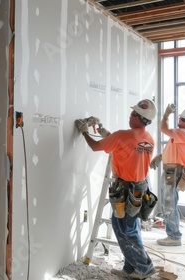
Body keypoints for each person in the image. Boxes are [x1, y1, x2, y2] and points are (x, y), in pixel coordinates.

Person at [75, 99, 157, 279]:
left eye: (133, 113)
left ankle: (145, 267)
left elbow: (96, 146)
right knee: (127, 227)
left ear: (139, 118)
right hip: (140, 188)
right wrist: (104, 131)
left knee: (126, 230)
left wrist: (84, 132)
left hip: (126, 190)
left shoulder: (122, 136)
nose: (130, 115)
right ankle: (130, 268)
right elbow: (124, 145)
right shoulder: (148, 139)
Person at [150, 105, 185, 246]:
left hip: (173, 172)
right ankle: (173, 234)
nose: (181, 121)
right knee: (169, 203)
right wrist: (161, 156)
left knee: (169, 204)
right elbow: (175, 149)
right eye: (180, 118)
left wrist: (165, 115)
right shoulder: (183, 133)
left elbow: (164, 129)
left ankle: (174, 237)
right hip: (172, 171)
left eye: (184, 120)